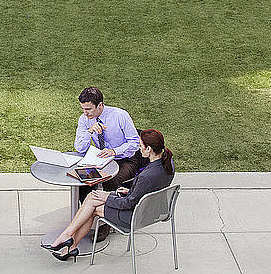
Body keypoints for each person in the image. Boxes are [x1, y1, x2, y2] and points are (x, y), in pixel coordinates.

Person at [42, 129, 174, 261]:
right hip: (151, 211)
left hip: (134, 216)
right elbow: (149, 190)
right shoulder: (168, 165)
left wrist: (107, 197)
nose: (139, 149)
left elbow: (128, 203)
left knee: (93, 205)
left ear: (149, 148)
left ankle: (67, 239)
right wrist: (130, 191)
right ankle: (69, 244)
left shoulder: (146, 177)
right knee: (93, 197)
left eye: (140, 145)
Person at [74, 86, 141, 241]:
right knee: (83, 178)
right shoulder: (85, 119)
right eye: (83, 109)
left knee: (110, 180)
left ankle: (106, 224)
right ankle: (90, 212)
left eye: (89, 109)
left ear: (100, 105)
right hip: (101, 159)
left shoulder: (120, 116)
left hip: (125, 159)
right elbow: (79, 147)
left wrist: (115, 151)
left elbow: (134, 143)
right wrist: (88, 131)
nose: (86, 113)